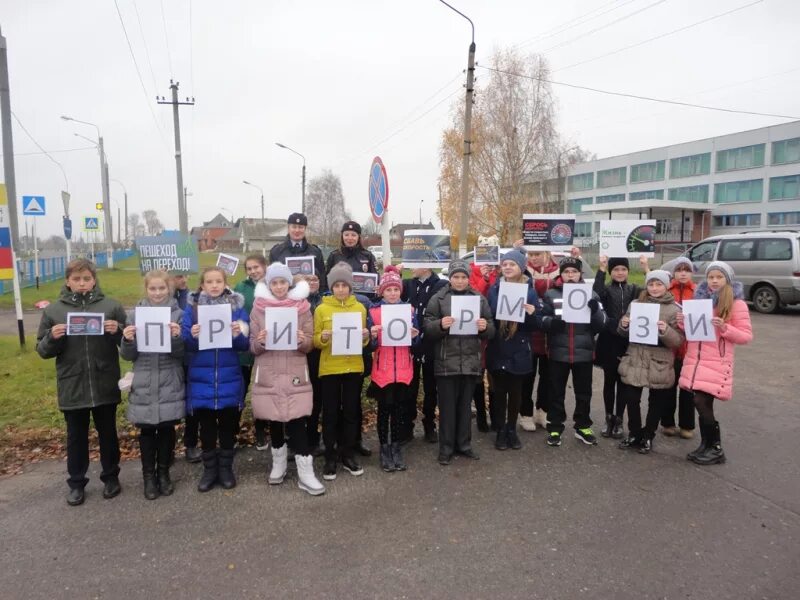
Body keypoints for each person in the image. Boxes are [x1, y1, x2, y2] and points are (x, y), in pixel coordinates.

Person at [36, 258, 127, 506]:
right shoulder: (54, 311)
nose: (82, 283)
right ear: (68, 281)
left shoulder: (111, 306)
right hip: (73, 384)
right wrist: (52, 338)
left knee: (108, 433)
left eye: (86, 278)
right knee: (76, 436)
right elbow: (42, 351)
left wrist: (118, 330)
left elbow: (129, 343)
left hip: (104, 380)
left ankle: (111, 477)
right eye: (76, 279)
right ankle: (76, 483)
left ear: (94, 280)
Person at [249, 263, 325, 496]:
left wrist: (303, 339)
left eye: (283, 282)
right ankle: (278, 463)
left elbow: (310, 344)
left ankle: (305, 471)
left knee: (297, 419)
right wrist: (260, 341)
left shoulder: (302, 308)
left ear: (289, 283)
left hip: (293, 370)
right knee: (274, 420)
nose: (279, 286)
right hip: (269, 369)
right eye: (275, 282)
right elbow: (251, 346)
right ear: (269, 285)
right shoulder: (258, 309)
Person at [182, 267, 250, 492]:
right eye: (209, 281)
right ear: (202, 285)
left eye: (218, 281)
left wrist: (238, 334)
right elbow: (185, 343)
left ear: (225, 283)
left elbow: (244, 345)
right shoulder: (192, 309)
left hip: (229, 375)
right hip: (202, 376)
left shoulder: (237, 309)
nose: (213, 285)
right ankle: (210, 470)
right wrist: (191, 336)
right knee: (207, 428)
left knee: (228, 427)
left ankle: (226, 468)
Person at [678, 262, 752, 465]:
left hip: (716, 361)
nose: (714, 280)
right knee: (700, 402)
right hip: (696, 360)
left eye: (719, 277)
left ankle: (716, 448)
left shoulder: (737, 304)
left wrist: (725, 327)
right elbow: (692, 332)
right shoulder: (700, 301)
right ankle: (707, 444)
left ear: (727, 279)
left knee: (702, 402)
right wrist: (683, 321)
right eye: (711, 277)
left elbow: (746, 336)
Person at [120, 270, 185, 500]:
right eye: (152, 289)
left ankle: (164, 473)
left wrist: (177, 337)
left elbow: (182, 353)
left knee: (167, 428)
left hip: (169, 377)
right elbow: (128, 355)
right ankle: (149, 477)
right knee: (147, 430)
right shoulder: (134, 315)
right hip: (145, 378)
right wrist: (127, 339)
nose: (157, 293)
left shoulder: (178, 315)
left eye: (162, 288)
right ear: (146, 290)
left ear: (169, 289)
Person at [424, 259, 495, 465]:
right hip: (447, 361)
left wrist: (484, 327)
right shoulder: (438, 298)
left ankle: (464, 445)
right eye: (456, 277)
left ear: (468, 278)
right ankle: (446, 448)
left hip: (471, 361)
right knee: (447, 408)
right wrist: (440, 324)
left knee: (465, 407)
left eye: (464, 277)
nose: (460, 281)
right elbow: (427, 327)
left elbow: (491, 328)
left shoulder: (478, 299)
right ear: (450, 278)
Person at [540, 257, 606, 448]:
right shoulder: (551, 294)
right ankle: (554, 427)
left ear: (580, 274)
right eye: (566, 272)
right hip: (558, 352)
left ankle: (583, 426)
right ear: (561, 274)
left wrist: (595, 311)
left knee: (584, 393)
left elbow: (601, 325)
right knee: (556, 392)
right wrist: (551, 323)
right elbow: (542, 318)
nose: (570, 275)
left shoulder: (591, 294)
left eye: (574, 272)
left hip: (583, 352)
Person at [313, 262, 370, 480]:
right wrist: (322, 338)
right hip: (330, 369)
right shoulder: (321, 309)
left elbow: (363, 343)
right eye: (336, 285)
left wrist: (365, 336)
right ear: (331, 287)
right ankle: (330, 455)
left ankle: (347, 453)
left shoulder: (360, 308)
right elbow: (315, 341)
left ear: (350, 286)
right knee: (330, 414)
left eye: (344, 285)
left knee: (350, 413)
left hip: (353, 367)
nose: (340, 289)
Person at [616, 270, 684, 454]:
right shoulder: (636, 303)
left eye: (659, 284)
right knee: (631, 398)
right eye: (651, 284)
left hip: (659, 360)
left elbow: (678, 341)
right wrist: (623, 325)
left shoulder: (675, 309)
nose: (654, 288)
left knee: (656, 401)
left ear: (667, 285)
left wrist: (666, 330)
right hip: (636, 357)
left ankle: (648, 436)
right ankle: (634, 434)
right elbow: (623, 333)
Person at [486, 249, 542, 450]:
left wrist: (532, 313)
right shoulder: (494, 289)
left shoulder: (529, 291)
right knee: (499, 392)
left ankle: (512, 429)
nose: (508, 267)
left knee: (516, 392)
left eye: (512, 264)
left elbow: (534, 326)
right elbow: (488, 314)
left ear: (521, 268)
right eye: (505, 264)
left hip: (519, 349)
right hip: (498, 347)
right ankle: (500, 429)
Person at [369, 266, 419, 472]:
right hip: (383, 369)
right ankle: (384, 447)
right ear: (382, 291)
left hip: (404, 369)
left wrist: (416, 336)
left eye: (396, 290)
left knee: (399, 411)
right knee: (384, 411)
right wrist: (371, 335)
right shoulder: (374, 312)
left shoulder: (410, 310)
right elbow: (370, 346)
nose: (392, 293)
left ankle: (396, 447)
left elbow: (416, 343)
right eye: (388, 290)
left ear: (401, 291)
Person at [592, 255, 648, 439]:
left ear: (628, 272)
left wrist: (646, 268)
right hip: (609, 340)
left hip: (628, 341)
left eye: (623, 269)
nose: (620, 272)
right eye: (616, 269)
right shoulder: (607, 290)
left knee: (624, 382)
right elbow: (596, 293)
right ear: (611, 272)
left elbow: (651, 290)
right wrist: (601, 268)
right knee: (609, 381)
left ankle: (619, 419)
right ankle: (608, 418)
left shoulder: (634, 289)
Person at [401, 264, 447, 443]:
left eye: (414, 264)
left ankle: (429, 424)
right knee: (410, 387)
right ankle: (407, 425)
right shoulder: (408, 284)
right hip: (411, 343)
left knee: (430, 387)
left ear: (426, 265)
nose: (409, 267)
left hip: (431, 342)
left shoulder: (440, 284)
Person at [519, 249, 560, 432]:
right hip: (528, 332)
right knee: (526, 376)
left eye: (538, 254)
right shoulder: (522, 270)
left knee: (548, 377)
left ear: (547, 253)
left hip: (550, 334)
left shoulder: (559, 271)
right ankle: (525, 413)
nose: (534, 258)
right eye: (531, 254)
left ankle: (543, 411)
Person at [659, 256, 697, 439]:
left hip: (690, 349)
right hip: (669, 348)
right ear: (674, 272)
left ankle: (687, 425)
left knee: (688, 389)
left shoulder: (699, 292)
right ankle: (667, 423)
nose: (683, 273)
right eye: (680, 269)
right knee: (668, 386)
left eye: (687, 269)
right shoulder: (667, 291)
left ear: (691, 272)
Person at [234, 255, 268, 450]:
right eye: (249, 268)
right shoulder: (241, 287)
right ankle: (233, 431)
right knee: (241, 388)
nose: (253, 271)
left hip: (267, 346)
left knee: (263, 390)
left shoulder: (273, 284)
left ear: (264, 267)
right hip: (245, 346)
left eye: (256, 267)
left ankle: (261, 430)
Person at [173, 273, 201, 463]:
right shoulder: (160, 298)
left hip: (190, 357)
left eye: (182, 275)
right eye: (176, 276)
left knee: (192, 404)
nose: (181, 280)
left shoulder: (191, 298)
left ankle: (190, 443)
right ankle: (170, 445)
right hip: (170, 359)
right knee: (173, 402)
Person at [269, 212, 327, 292]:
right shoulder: (276, 251)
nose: (297, 230)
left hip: (310, 300)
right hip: (285, 299)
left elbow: (322, 279)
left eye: (300, 227)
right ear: (288, 228)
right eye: (294, 227)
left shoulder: (315, 251)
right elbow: (272, 279)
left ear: (305, 229)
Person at [300, 272, 325, 456]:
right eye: (308, 280)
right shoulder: (297, 303)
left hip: (321, 355)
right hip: (301, 355)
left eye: (315, 279)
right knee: (302, 397)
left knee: (318, 397)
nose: (312, 282)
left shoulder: (326, 300)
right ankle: (300, 439)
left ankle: (314, 437)